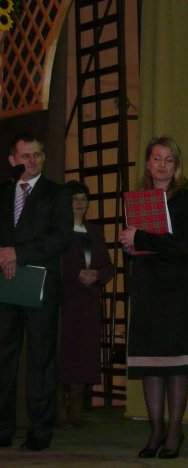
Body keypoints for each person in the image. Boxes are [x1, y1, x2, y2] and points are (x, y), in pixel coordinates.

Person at [119, 136, 188, 459]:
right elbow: (137, 244)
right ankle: (155, 430)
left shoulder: (186, 199)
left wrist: (139, 237)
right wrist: (129, 244)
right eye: (156, 158)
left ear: (176, 166)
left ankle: (174, 431)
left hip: (175, 288)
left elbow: (181, 245)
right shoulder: (137, 200)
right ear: (148, 164)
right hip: (147, 285)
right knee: (150, 360)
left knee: (175, 362)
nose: (162, 164)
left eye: (169, 159)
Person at [0, 133, 73, 450]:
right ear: (12, 160)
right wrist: (3, 254)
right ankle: (2, 428)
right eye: (25, 156)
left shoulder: (57, 193)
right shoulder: (3, 192)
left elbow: (61, 237)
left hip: (40, 282)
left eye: (37, 155)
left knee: (41, 358)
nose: (32, 161)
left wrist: (18, 253)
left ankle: (40, 431)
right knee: (3, 357)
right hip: (5, 281)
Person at [58, 181, 114, 427]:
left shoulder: (95, 231)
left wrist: (98, 275)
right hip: (65, 300)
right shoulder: (58, 231)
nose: (80, 203)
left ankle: (77, 410)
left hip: (89, 302)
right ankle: (59, 409)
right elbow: (55, 264)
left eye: (83, 198)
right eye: (75, 199)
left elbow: (108, 266)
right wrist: (76, 274)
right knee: (64, 354)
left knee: (84, 355)